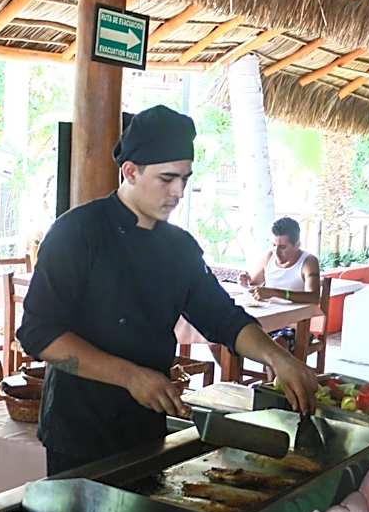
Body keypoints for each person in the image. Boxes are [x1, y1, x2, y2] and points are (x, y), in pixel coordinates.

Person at [17, 106, 317, 476]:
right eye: (167, 178)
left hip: (147, 426)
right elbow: (37, 334)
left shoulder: (179, 247)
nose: (178, 192)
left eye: (185, 179)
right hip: (80, 431)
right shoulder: (77, 232)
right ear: (130, 171)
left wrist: (278, 358)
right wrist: (130, 376)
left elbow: (223, 317)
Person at [239, 217, 320, 305]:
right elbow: (252, 284)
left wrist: (275, 293)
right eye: (274, 245)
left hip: (294, 317)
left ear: (297, 245)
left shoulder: (308, 262)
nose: (276, 253)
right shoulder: (269, 257)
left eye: (283, 247)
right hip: (267, 313)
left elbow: (314, 297)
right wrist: (244, 281)